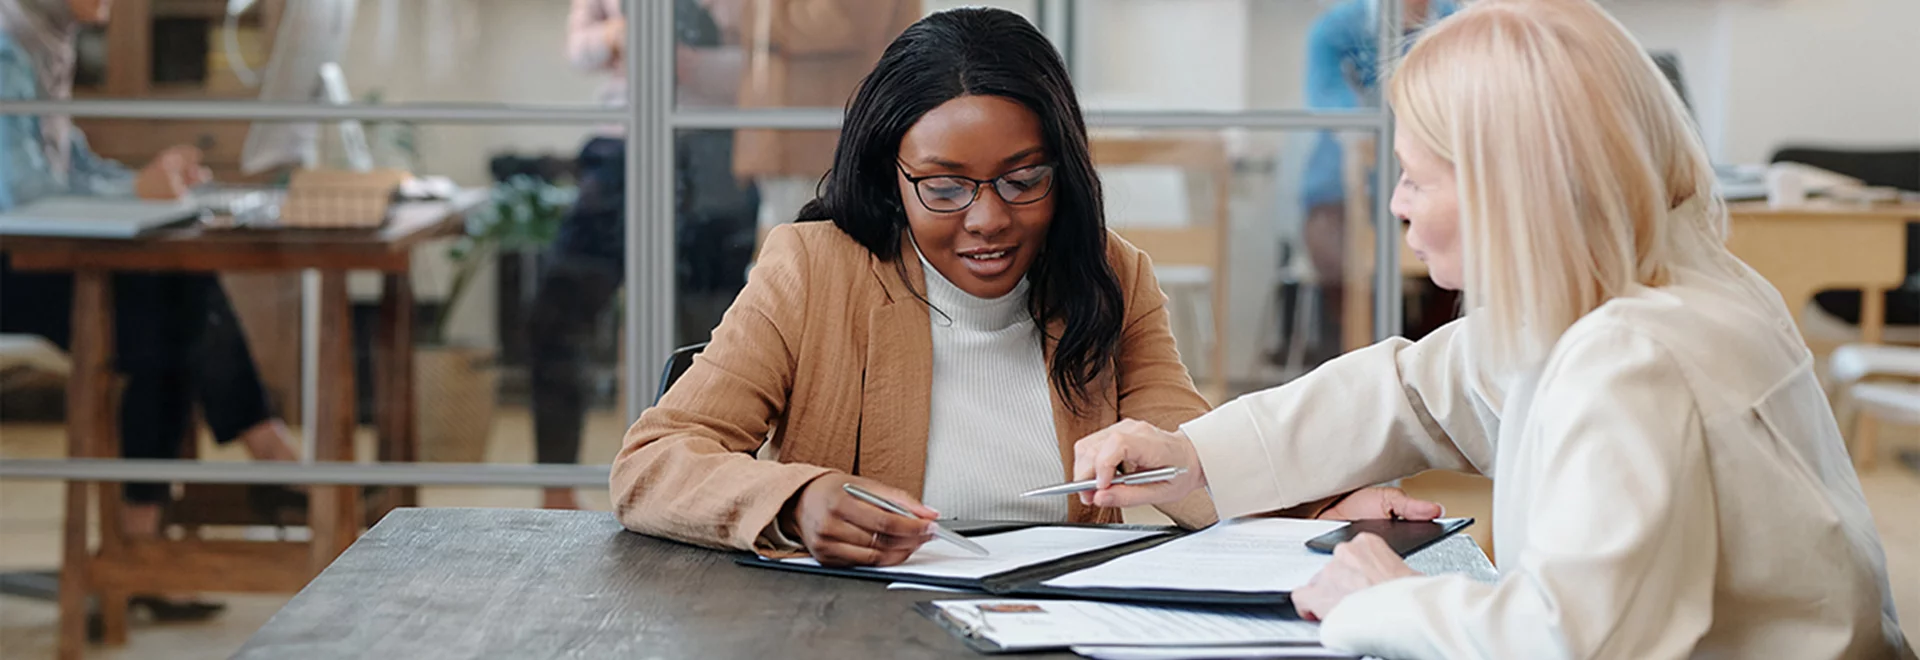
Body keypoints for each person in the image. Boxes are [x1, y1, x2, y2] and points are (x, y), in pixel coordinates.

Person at [1070, 1, 1914, 657]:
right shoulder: (1644, 291)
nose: (1396, 204)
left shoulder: (1633, 359)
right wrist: (1195, 458)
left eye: (1415, 179)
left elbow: (1572, 640)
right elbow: (1411, 389)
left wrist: (1383, 601)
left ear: (1510, 192)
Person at [610, 7, 1434, 568]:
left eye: (1023, 179)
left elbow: (1186, 449)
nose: (988, 220)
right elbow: (651, 466)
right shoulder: (811, 268)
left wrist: (1314, 510)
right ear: (889, 176)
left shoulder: (1111, 275)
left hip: (1055, 625)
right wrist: (798, 500)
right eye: (944, 187)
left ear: (1062, 170)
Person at [0, 0, 305, 622]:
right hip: (13, 264)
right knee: (166, 300)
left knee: (173, 286)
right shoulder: (7, 41)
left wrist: (152, 180)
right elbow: (20, 194)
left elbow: (73, 167)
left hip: (38, 255)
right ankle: (256, 455)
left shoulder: (44, 40)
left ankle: (142, 544)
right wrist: (136, 191)